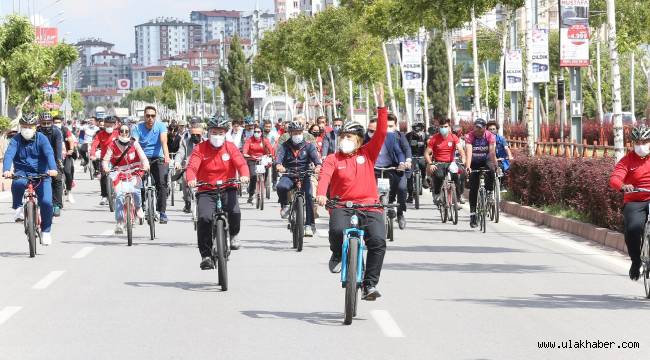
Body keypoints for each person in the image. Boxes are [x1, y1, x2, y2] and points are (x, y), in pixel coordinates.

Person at [316, 84, 388, 300]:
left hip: (370, 205)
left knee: (378, 241)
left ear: (359, 140)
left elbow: (382, 132)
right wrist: (321, 194)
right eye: (343, 136)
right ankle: (338, 252)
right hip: (341, 205)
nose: (345, 140)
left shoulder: (368, 153)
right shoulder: (332, 158)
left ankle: (369, 285)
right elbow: (325, 177)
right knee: (337, 231)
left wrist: (381, 105)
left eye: (350, 137)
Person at [186, 116, 250, 269]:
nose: (217, 136)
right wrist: (191, 179)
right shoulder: (200, 148)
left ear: (225, 133)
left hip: (228, 187)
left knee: (234, 212)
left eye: (221, 133)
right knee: (204, 218)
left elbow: (241, 163)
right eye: (214, 132)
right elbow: (192, 167)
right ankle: (206, 255)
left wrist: (244, 175)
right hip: (206, 190)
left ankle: (233, 235)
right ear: (208, 132)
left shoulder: (230, 147)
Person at [2, 113, 58, 245]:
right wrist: (6, 170)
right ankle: (18, 208)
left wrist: (53, 169)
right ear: (20, 127)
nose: (27, 129)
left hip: (42, 175)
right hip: (22, 173)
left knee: (46, 203)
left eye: (30, 126)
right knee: (17, 184)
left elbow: (49, 153)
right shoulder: (15, 139)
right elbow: (9, 154)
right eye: (24, 126)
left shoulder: (42, 138)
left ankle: (46, 232)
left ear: (35, 127)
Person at [610, 125, 650, 280]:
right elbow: (615, 178)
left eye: (645, 141)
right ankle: (636, 261)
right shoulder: (627, 160)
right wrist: (622, 186)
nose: (641, 145)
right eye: (638, 142)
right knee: (633, 229)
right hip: (635, 199)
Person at [275, 121, 322, 237]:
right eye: (295, 132)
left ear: (303, 132)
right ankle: (285, 205)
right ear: (290, 133)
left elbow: (316, 160)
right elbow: (279, 159)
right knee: (281, 186)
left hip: (305, 174)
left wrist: (318, 166)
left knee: (310, 197)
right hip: (289, 174)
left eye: (299, 132)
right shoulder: (285, 146)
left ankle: (309, 225)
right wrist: (279, 165)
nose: (297, 135)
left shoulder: (309, 145)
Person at [103, 124, 149, 234]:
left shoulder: (135, 143)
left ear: (129, 132)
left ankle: (138, 207)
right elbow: (105, 160)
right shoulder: (113, 145)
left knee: (137, 191)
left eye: (126, 131)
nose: (124, 133)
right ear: (118, 132)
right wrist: (105, 168)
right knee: (119, 196)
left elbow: (143, 157)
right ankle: (119, 222)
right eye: (122, 131)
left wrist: (146, 165)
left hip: (135, 171)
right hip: (119, 173)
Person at [132, 106, 171, 224]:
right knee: (138, 184)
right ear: (144, 116)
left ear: (156, 116)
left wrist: (167, 158)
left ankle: (162, 212)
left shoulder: (161, 126)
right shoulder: (137, 128)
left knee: (162, 184)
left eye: (153, 116)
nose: (150, 118)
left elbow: (164, 142)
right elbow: (135, 143)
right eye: (148, 116)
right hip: (142, 158)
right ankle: (141, 207)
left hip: (158, 158)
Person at [367, 117, 407, 229]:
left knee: (401, 188)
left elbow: (399, 152)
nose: (372, 134)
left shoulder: (390, 137)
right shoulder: (365, 139)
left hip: (390, 167)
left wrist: (402, 163)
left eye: (375, 131)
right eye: (370, 131)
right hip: (373, 169)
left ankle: (400, 213)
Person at [425, 118, 466, 206]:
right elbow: (427, 153)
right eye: (441, 126)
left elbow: (461, 150)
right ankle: (437, 194)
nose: (443, 128)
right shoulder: (434, 138)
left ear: (449, 127)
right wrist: (431, 164)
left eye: (445, 126)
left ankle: (457, 197)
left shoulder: (453, 137)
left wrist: (463, 159)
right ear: (439, 127)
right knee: (439, 175)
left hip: (451, 162)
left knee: (458, 175)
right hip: (438, 162)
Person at [465, 118, 497, 228]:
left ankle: (489, 191)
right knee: (473, 188)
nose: (477, 130)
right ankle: (473, 214)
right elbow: (468, 152)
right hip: (474, 161)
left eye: (480, 128)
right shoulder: (469, 136)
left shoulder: (490, 136)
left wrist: (495, 164)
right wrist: (468, 166)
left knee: (491, 170)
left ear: (484, 128)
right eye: (476, 127)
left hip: (486, 159)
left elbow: (492, 153)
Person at [37, 112, 64, 217]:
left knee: (57, 179)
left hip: (53, 158)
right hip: (39, 159)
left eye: (49, 123)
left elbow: (58, 148)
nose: (46, 125)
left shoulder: (56, 132)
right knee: (37, 179)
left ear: (52, 123)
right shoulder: (36, 131)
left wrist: (58, 161)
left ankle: (57, 204)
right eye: (44, 123)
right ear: (40, 123)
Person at [175, 121, 204, 213]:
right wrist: (177, 162)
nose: (195, 136)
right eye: (193, 134)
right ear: (190, 133)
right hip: (189, 167)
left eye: (198, 134)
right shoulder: (185, 142)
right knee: (184, 179)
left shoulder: (207, 142)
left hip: (203, 168)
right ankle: (187, 202)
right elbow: (180, 153)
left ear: (202, 134)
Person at [90, 115, 119, 206]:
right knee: (103, 176)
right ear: (104, 125)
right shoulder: (100, 134)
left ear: (115, 125)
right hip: (105, 159)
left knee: (121, 175)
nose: (109, 127)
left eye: (111, 125)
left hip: (117, 158)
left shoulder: (119, 133)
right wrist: (92, 154)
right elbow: (94, 145)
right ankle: (104, 196)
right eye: (107, 125)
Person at [243, 125, 273, 204]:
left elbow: (270, 148)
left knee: (265, 173)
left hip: (263, 159)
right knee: (253, 176)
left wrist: (271, 155)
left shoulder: (265, 140)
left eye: (258, 132)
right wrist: (245, 154)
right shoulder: (249, 140)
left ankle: (263, 184)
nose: (256, 133)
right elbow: (245, 149)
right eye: (255, 131)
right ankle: (251, 194)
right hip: (252, 160)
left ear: (261, 133)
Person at [486, 121, 514, 192]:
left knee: (501, 168)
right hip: (489, 160)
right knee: (488, 172)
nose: (492, 131)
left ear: (497, 130)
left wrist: (510, 156)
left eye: (493, 129)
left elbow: (506, 148)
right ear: (487, 130)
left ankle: (501, 185)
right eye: (490, 129)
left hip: (500, 160)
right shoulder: (485, 139)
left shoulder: (501, 139)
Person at [54, 115, 77, 204]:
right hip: (55, 156)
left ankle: (69, 192)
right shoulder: (51, 130)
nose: (57, 124)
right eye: (55, 122)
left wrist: (71, 150)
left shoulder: (65, 130)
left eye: (58, 122)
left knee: (68, 172)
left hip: (66, 155)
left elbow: (70, 140)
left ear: (62, 122)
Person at [406, 120, 429, 203]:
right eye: (415, 130)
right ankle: (410, 195)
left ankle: (423, 179)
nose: (417, 132)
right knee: (409, 175)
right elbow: (405, 147)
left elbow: (429, 146)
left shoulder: (426, 136)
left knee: (423, 165)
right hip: (411, 157)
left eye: (419, 130)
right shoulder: (408, 136)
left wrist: (429, 154)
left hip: (422, 157)